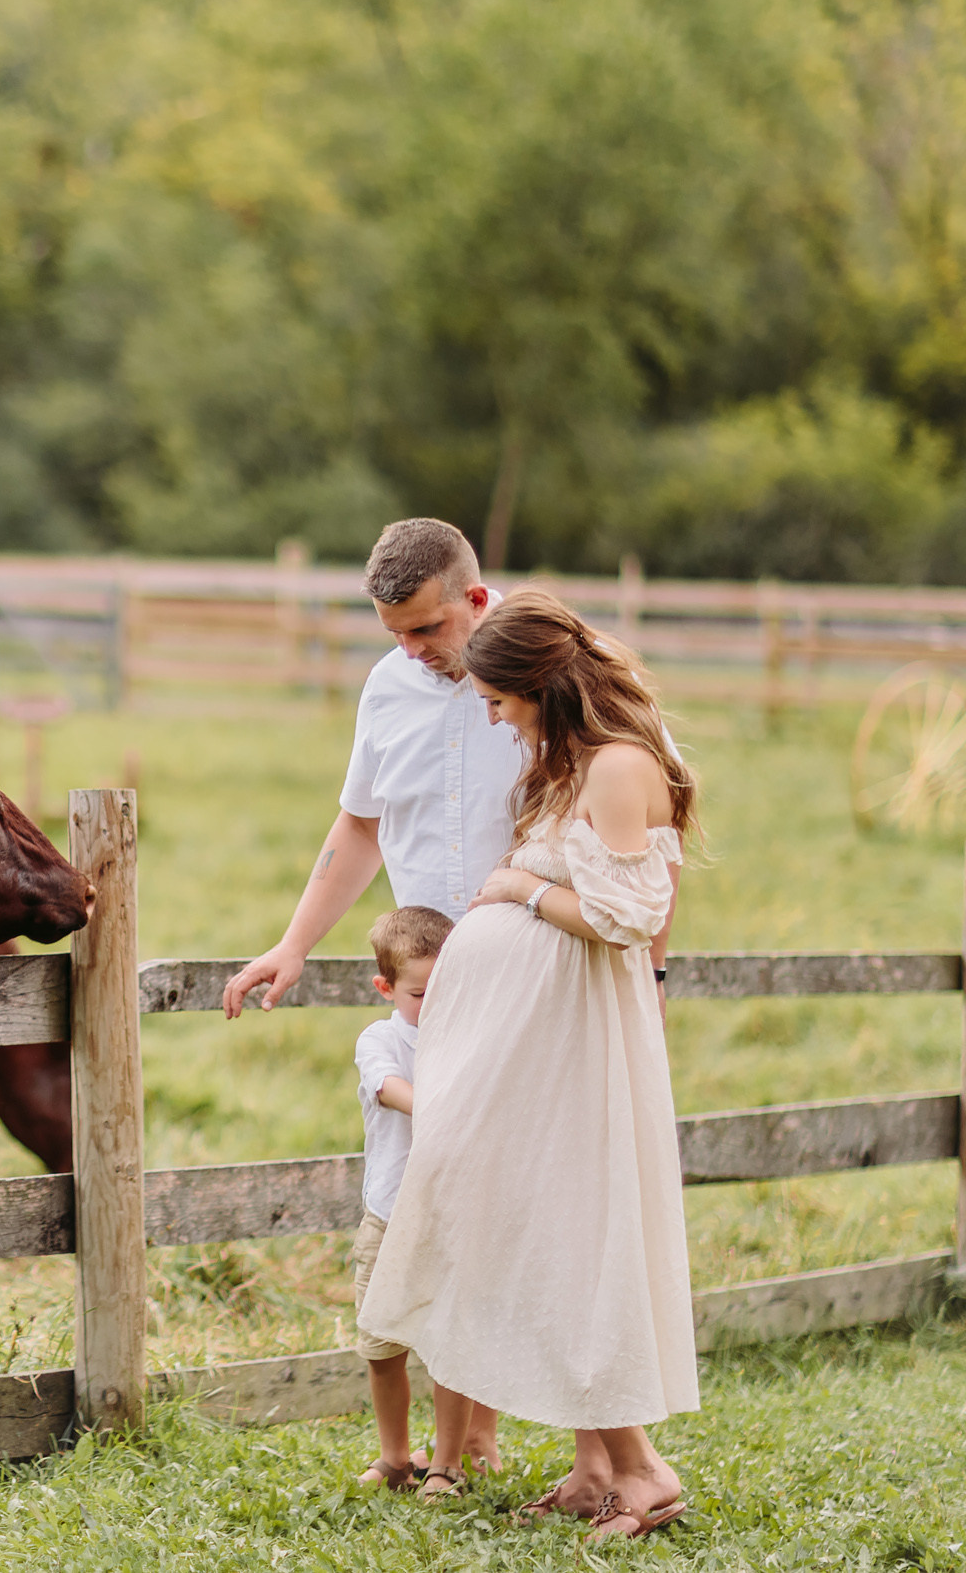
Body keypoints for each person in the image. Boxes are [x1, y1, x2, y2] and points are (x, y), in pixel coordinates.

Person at [355, 590, 700, 1538]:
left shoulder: (622, 764)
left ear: (541, 686)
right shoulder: (580, 764)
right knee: (525, 1226)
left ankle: (641, 1470)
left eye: (500, 698)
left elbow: (626, 915)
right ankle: (601, 1468)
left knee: (559, 1229)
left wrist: (516, 887)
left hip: (569, 1039)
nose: (492, 713)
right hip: (535, 1039)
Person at [222, 516, 519, 1478]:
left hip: (524, 970)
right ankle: (454, 1442)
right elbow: (359, 824)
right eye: (393, 632)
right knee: (432, 1203)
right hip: (430, 984)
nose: (412, 650)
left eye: (427, 630)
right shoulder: (388, 687)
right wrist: (293, 942)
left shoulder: (543, 661)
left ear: (475, 601)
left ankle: (490, 1435)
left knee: (504, 1208)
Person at [349, 905, 452, 1493]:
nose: (433, 1005)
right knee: (382, 1345)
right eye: (418, 994)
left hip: (452, 1218)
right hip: (389, 1217)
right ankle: (394, 1456)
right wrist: (445, 1105)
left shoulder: (470, 1036)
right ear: (385, 988)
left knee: (449, 1346)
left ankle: (447, 1461)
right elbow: (388, 1089)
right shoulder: (381, 1038)